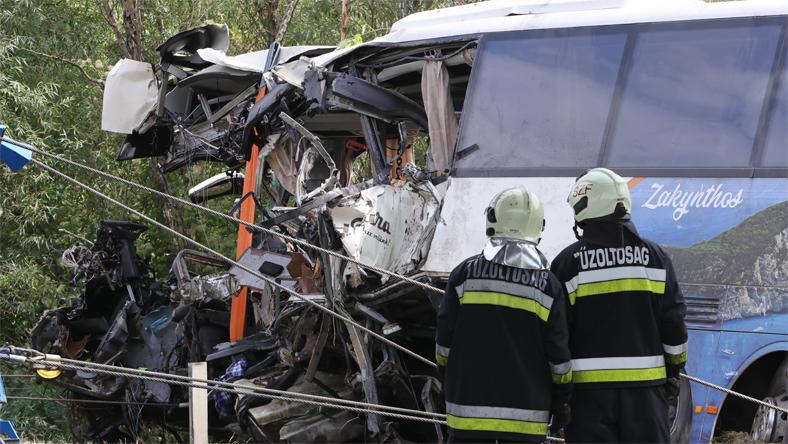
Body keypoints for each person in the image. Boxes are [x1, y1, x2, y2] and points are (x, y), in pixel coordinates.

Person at [550, 168, 688, 443]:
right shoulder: (656, 258)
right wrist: (673, 373)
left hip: (589, 400)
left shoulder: (568, 263)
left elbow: (557, 337)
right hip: (647, 396)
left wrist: (560, 396)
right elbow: (674, 325)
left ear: (584, 208)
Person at [436, 186, 573, 443]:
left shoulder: (464, 275)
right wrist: (562, 400)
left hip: (467, 415)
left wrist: (449, 381)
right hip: (526, 421)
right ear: (538, 228)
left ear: (492, 219)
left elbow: (443, 345)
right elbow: (559, 358)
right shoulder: (548, 286)